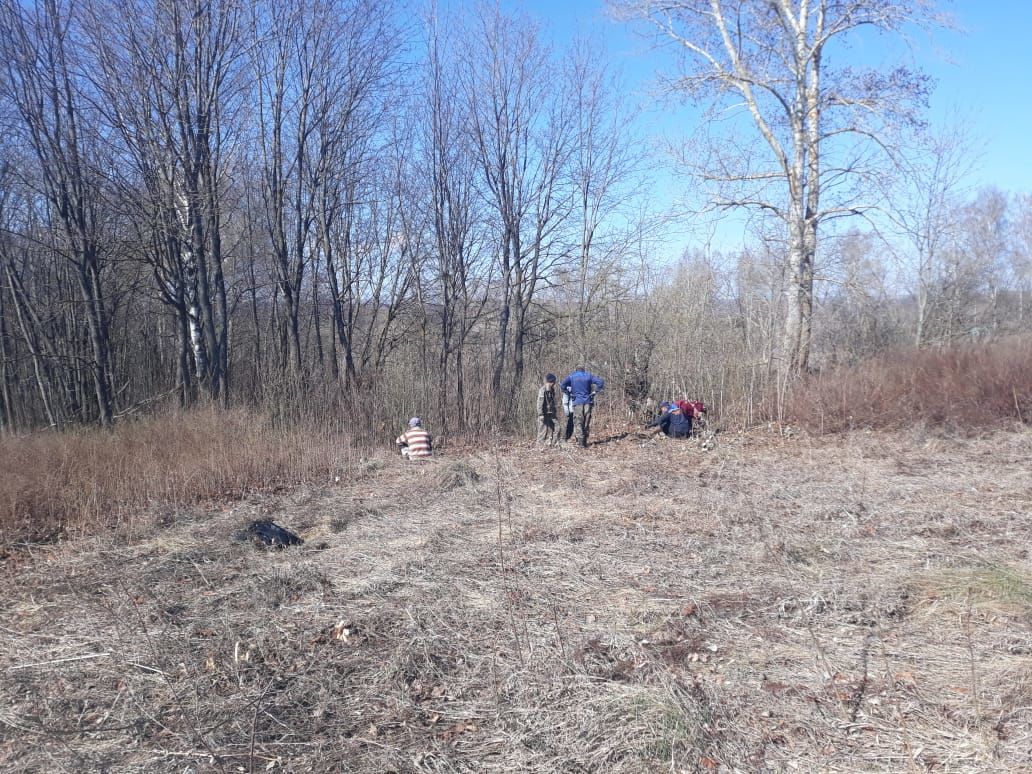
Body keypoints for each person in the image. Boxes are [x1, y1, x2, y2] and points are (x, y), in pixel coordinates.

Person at [560, 365, 604, 448]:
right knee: (586, 422)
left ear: (576, 370)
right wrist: (595, 391)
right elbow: (600, 382)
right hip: (588, 401)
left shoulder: (572, 376)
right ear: (583, 370)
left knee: (578, 422)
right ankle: (584, 441)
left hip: (577, 402)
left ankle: (580, 443)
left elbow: (562, 385)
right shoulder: (589, 375)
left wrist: (568, 393)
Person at [536, 373, 560, 446]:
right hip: (544, 414)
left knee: (557, 427)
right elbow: (539, 404)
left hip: (551, 414)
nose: (554, 384)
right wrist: (540, 414)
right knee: (543, 431)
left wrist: (554, 412)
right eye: (553, 382)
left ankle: (553, 443)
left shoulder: (552, 390)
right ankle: (539, 446)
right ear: (550, 382)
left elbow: (552, 403)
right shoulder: (543, 390)